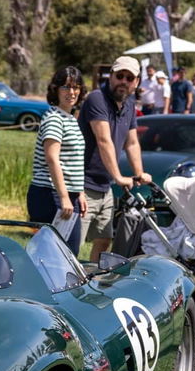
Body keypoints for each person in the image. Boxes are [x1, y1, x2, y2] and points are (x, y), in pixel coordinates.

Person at [79, 56, 152, 259]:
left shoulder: (128, 105)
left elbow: (132, 142)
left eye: (130, 78)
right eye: (120, 76)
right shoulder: (97, 99)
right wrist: (119, 177)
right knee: (71, 245)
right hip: (82, 184)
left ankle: (90, 281)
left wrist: (139, 174)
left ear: (136, 82)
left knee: (104, 240)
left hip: (105, 186)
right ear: (110, 76)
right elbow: (104, 140)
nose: (124, 81)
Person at [27, 67, 87, 254]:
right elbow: (52, 158)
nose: (71, 92)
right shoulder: (54, 118)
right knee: (58, 257)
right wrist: (64, 198)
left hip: (68, 194)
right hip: (51, 194)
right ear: (55, 90)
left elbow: (72, 160)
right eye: (66, 87)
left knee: (66, 255)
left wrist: (79, 192)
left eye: (76, 87)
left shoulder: (69, 118)